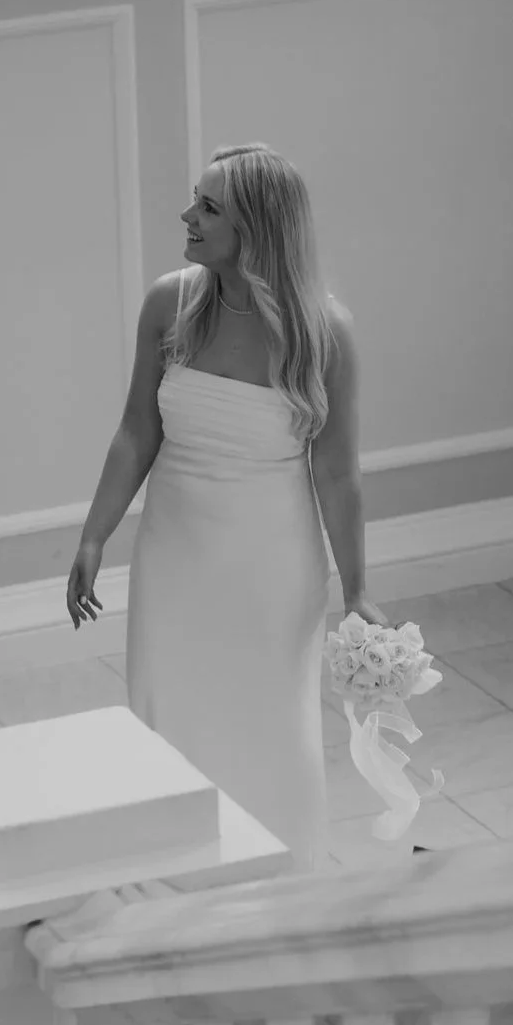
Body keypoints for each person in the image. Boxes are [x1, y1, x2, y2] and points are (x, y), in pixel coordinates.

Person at [66, 143, 367, 873]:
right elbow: (138, 429)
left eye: (208, 206)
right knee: (169, 713)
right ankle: (174, 876)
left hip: (272, 563)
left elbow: (336, 476)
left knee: (269, 725)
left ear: (257, 226)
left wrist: (359, 593)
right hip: (175, 554)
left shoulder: (324, 333)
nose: (188, 215)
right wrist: (93, 537)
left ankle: (278, 877)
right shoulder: (171, 301)